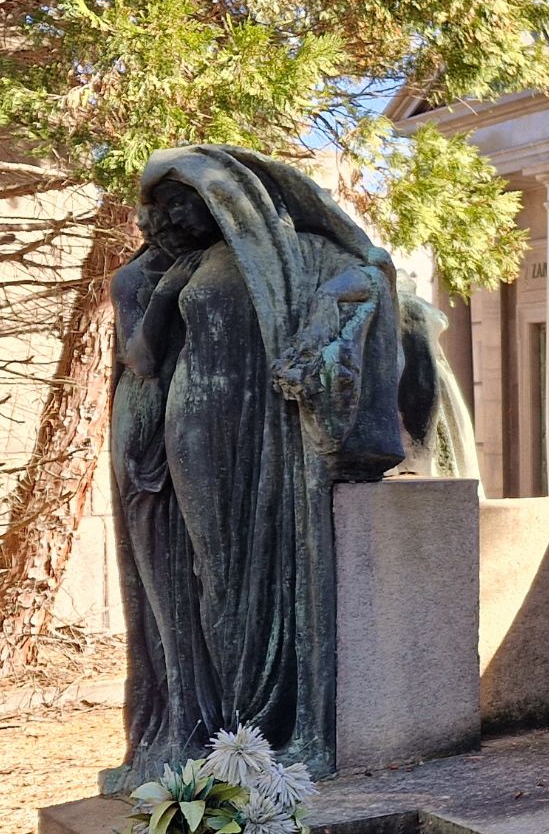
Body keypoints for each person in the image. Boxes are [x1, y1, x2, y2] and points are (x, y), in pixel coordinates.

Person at [108, 146, 405, 791]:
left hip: (261, 424)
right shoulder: (153, 275)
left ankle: (254, 720)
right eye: (152, 211)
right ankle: (216, 721)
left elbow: (368, 273)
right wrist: (166, 292)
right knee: (210, 570)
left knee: (249, 563)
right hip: (193, 420)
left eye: (178, 204)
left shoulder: (278, 259)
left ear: (219, 199)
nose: (162, 221)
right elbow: (143, 360)